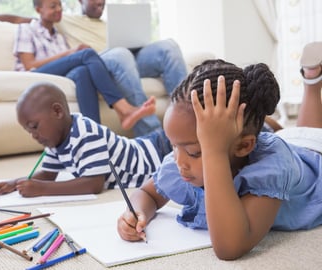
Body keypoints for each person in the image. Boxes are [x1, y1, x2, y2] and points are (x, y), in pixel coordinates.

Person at [116, 54, 322, 260]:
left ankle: (311, 83)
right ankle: (299, 95)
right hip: (289, 141)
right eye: (174, 146)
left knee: (310, 133)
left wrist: (213, 152)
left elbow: (230, 247)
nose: (178, 161)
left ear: (243, 146)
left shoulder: (271, 168)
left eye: (194, 152)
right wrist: (136, 212)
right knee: (298, 132)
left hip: (314, 156)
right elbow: (148, 193)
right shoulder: (184, 161)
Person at [0, 81, 173, 198]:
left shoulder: (86, 134)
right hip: (152, 147)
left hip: (157, 153)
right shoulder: (54, 139)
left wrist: (42, 189)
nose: (34, 135)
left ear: (57, 112)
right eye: (28, 131)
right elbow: (47, 174)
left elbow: (93, 184)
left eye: (35, 127)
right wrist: (14, 183)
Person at [14, 0, 155, 131]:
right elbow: (29, 65)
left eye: (59, 5)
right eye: (53, 6)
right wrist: (69, 53)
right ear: (38, 10)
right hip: (35, 74)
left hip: (57, 75)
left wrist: (70, 54)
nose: (58, 9)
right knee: (87, 54)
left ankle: (94, 134)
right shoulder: (26, 29)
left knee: (83, 72)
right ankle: (124, 110)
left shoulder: (60, 36)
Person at [57, 0, 189, 135]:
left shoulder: (111, 24)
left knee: (169, 47)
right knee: (121, 54)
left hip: (127, 59)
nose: (100, 1)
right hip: (98, 63)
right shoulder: (65, 20)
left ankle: (186, 122)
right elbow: (40, 15)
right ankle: (154, 137)